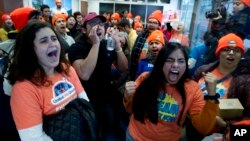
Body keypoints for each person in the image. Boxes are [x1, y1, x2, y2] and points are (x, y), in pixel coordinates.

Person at [7, 21, 89, 141]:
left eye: (54, 39)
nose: (53, 44)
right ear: (30, 49)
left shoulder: (67, 69)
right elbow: (34, 138)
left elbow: (85, 102)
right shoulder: (24, 89)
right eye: (44, 41)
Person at [124, 42, 219, 141]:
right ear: (161, 63)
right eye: (170, 60)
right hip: (135, 137)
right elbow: (130, 110)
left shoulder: (193, 89)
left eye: (181, 61)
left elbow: (203, 128)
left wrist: (212, 96)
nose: (175, 65)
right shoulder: (145, 78)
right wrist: (127, 96)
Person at [68, 12, 128, 141]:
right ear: (84, 29)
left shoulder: (107, 44)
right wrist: (95, 44)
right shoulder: (76, 47)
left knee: (110, 130)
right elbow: (84, 74)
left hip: (107, 99)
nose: (99, 27)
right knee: (93, 134)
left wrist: (118, 49)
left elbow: (123, 68)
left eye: (101, 24)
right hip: (88, 101)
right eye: (93, 24)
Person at [190, 33, 250, 140]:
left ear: (241, 55)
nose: (231, 53)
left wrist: (226, 126)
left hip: (218, 136)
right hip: (192, 127)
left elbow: (247, 119)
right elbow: (188, 94)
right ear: (219, 52)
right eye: (226, 49)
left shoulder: (246, 81)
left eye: (236, 50)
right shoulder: (203, 70)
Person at [129, 10, 165, 81]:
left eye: (154, 23)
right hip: (137, 69)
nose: (151, 24)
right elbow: (133, 52)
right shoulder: (141, 35)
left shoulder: (163, 38)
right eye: (150, 22)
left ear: (159, 25)